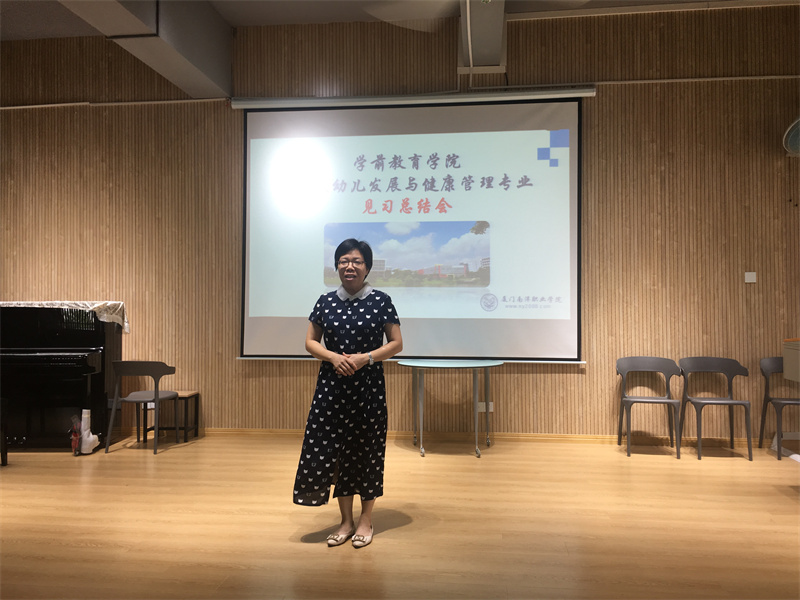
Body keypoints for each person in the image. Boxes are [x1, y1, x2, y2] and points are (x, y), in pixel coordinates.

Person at [293, 238, 403, 549]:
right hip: (332, 388)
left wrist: (366, 357)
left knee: (367, 450)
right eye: (343, 260)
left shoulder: (381, 300)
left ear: (367, 267)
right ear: (336, 266)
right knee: (336, 451)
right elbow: (310, 341)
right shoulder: (325, 301)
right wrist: (332, 357)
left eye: (356, 261)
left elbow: (396, 343)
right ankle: (345, 520)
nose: (349, 266)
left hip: (368, 388)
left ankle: (366, 519)